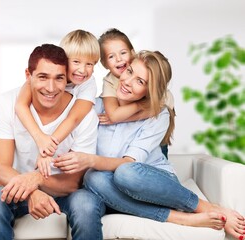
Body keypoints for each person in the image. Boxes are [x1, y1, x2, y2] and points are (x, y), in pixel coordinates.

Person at [53, 50, 245, 240]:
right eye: (129, 72)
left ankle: (206, 208)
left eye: (140, 81)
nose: (128, 82)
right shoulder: (93, 106)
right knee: (90, 184)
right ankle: (179, 218)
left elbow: (128, 163)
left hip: (151, 186)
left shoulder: (157, 115)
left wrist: (90, 159)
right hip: (107, 189)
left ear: (149, 90)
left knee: (125, 172)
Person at [0, 43, 102, 240]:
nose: (51, 88)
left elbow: (73, 182)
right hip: (21, 189)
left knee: (86, 203)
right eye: (43, 77)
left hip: (66, 193)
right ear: (29, 76)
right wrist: (32, 192)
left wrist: (38, 179)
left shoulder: (85, 115)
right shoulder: (7, 103)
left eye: (59, 78)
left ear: (67, 78)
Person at [15, 29, 100, 177]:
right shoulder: (43, 74)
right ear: (64, 61)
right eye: (76, 62)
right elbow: (20, 105)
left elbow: (74, 118)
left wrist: (47, 150)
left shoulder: (88, 84)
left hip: (71, 137)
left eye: (90, 64)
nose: (82, 70)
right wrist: (40, 138)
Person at [98, 28, 175, 157]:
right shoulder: (110, 81)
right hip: (128, 138)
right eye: (111, 56)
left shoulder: (155, 84)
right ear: (104, 64)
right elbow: (114, 115)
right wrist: (140, 106)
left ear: (132, 53)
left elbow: (159, 110)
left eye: (123, 53)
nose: (118, 59)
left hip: (155, 134)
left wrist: (129, 114)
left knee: (158, 153)